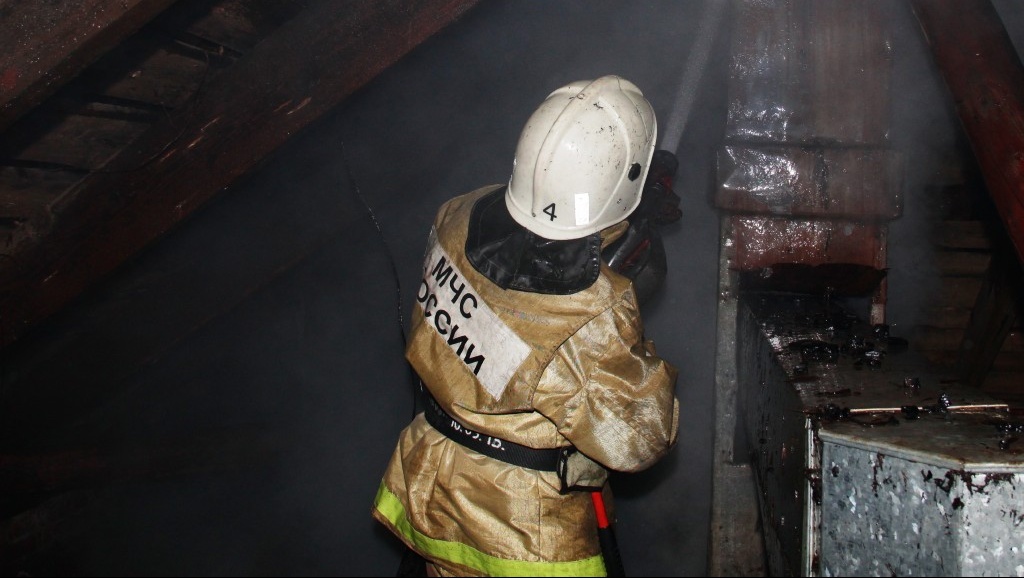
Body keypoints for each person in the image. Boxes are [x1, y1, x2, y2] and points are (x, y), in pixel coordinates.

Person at [372, 75, 680, 577]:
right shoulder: (593, 312)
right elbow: (638, 440)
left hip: (429, 479)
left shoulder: (459, 213)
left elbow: (509, 311)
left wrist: (614, 231)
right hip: (520, 529)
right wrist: (628, 316)